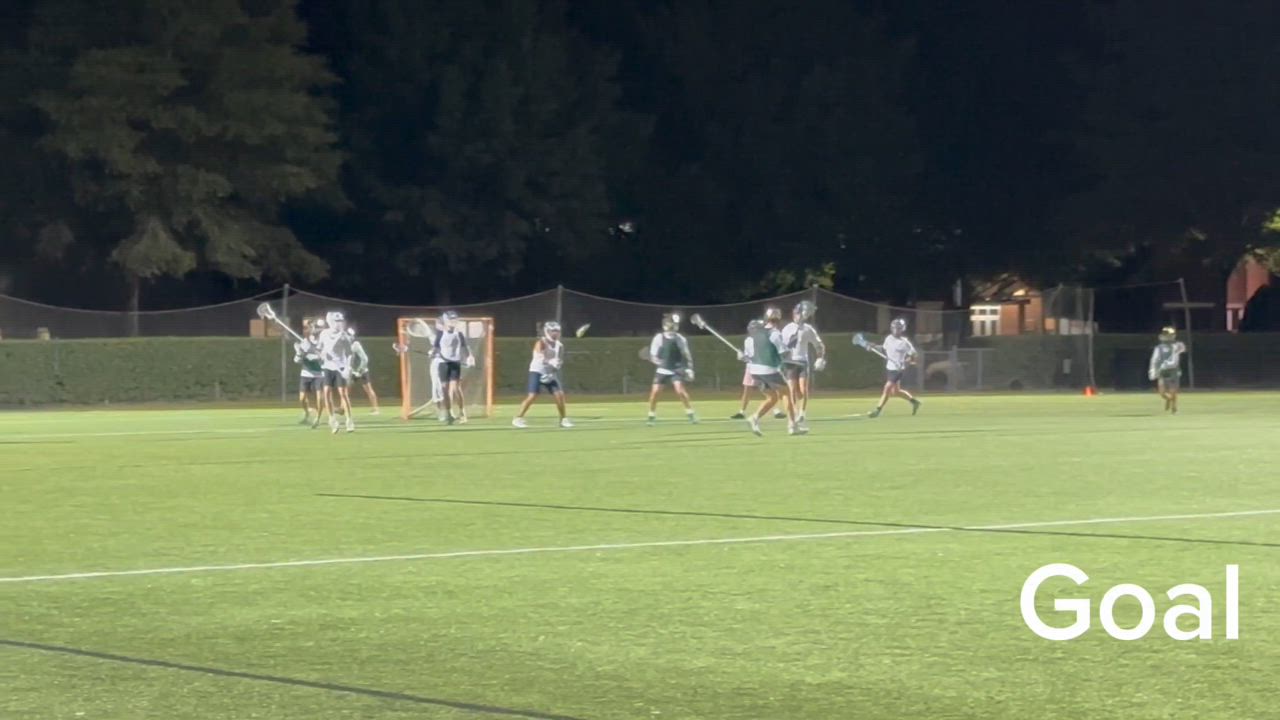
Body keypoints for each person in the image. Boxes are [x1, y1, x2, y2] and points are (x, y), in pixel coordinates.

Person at [738, 318, 804, 436]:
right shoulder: (772, 334)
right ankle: (792, 426)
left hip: (755, 372)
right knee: (786, 393)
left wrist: (742, 356)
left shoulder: (748, 339)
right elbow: (784, 353)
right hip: (769, 370)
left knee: (772, 397)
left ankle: (754, 418)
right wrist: (789, 360)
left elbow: (748, 358)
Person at [513, 321, 573, 428]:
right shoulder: (541, 342)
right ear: (547, 331)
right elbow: (540, 357)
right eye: (553, 331)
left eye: (557, 331)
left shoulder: (560, 346)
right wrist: (550, 362)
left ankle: (563, 419)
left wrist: (556, 367)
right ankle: (518, 418)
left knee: (559, 395)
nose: (555, 333)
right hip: (537, 371)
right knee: (533, 395)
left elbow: (559, 360)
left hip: (549, 373)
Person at [781, 300, 826, 428]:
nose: (799, 316)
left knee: (803, 389)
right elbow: (781, 345)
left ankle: (802, 413)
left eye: (800, 314)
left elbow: (819, 344)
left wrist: (820, 358)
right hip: (789, 362)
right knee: (791, 390)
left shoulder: (808, 329)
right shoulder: (787, 328)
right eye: (797, 313)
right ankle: (794, 413)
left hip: (802, 362)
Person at [647, 313, 697, 425]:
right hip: (662, 370)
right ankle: (651, 415)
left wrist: (690, 369)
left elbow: (686, 354)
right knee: (655, 392)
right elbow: (653, 355)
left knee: (680, 391)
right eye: (671, 324)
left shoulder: (680, 339)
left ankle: (690, 414)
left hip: (676, 369)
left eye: (675, 324)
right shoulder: (659, 338)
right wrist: (656, 361)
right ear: (665, 325)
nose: (673, 326)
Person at [867, 317, 921, 418]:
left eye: (899, 328)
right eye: (895, 328)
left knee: (887, 388)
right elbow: (884, 349)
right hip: (890, 368)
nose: (896, 330)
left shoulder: (905, 343)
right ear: (892, 328)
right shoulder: (888, 338)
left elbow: (914, 355)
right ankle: (915, 402)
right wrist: (873, 347)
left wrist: (906, 362)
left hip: (898, 370)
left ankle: (878, 410)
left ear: (902, 329)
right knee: (895, 392)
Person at [434, 310, 474, 425]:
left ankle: (462, 413)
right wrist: (432, 353)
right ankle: (449, 413)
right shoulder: (440, 334)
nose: (453, 322)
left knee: (456, 388)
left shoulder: (459, 334)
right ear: (445, 321)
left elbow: (465, 347)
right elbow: (436, 349)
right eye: (450, 320)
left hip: (455, 363)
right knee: (445, 389)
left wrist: (470, 357)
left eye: (454, 319)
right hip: (443, 364)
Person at [318, 311, 356, 433]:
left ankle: (349, 420)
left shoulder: (344, 336)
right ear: (330, 322)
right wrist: (323, 355)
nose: (339, 323)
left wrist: (348, 368)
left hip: (341, 367)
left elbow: (350, 354)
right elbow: (319, 350)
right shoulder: (324, 334)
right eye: (336, 321)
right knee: (326, 392)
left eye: (340, 321)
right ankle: (332, 420)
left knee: (343, 393)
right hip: (328, 367)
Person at [294, 318, 324, 427]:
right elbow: (297, 360)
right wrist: (299, 353)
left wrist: (317, 356)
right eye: (310, 327)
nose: (312, 329)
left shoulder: (323, 342)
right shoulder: (304, 342)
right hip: (306, 373)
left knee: (319, 397)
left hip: (319, 373)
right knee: (302, 398)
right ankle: (307, 413)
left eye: (314, 327)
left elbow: (325, 357)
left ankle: (318, 418)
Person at [1148, 326, 1186, 414]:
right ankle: (1168, 399)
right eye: (1165, 334)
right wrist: (1152, 370)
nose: (1166, 336)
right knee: (1161, 392)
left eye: (1168, 334)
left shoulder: (1177, 345)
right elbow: (1154, 359)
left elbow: (1177, 355)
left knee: (1173, 390)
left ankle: (1174, 407)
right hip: (1162, 371)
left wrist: (1176, 348)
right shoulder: (1159, 347)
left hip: (1173, 370)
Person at [347, 324, 380, 415]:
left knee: (368, 389)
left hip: (361, 371)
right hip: (352, 371)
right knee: (346, 390)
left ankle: (375, 409)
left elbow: (365, 359)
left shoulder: (355, 345)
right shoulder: (345, 345)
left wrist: (359, 371)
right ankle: (343, 408)